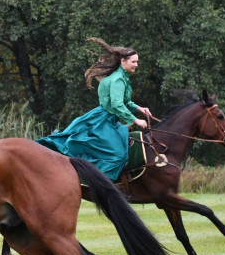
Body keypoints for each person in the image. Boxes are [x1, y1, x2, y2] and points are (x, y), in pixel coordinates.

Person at [37, 38, 155, 181]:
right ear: (123, 61)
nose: (136, 65)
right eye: (134, 62)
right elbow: (117, 105)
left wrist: (140, 109)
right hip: (104, 121)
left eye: (137, 62)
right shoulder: (118, 79)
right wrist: (135, 120)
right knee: (118, 156)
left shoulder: (120, 77)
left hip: (106, 118)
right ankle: (97, 182)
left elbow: (124, 101)